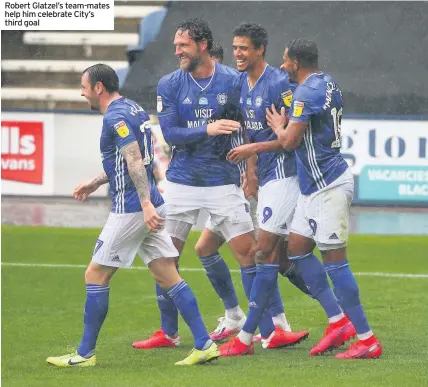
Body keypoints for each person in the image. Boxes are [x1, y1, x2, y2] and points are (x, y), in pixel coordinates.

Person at [132, 18, 296, 351]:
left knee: (249, 255)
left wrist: (251, 171)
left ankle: (271, 329)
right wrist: (206, 130)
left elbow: (250, 129)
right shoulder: (170, 83)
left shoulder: (234, 82)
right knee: (166, 258)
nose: (177, 51)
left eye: (184, 46)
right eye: (176, 45)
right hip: (181, 184)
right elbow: (172, 134)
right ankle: (168, 333)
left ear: (203, 45)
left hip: (223, 182)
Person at [46, 64, 219, 367]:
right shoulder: (133, 108)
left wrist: (145, 205)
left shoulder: (115, 116)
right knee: (166, 273)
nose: (81, 91)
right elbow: (127, 160)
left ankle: (85, 354)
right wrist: (96, 181)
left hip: (132, 208)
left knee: (95, 274)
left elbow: (135, 160)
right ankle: (204, 344)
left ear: (99, 87)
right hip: (148, 201)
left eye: (84, 86)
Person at [266, 39, 382, 359]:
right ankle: (337, 321)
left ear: (297, 63)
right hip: (312, 187)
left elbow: (289, 142)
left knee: (336, 263)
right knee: (298, 249)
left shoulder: (305, 92)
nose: (282, 65)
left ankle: (367, 338)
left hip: (326, 186)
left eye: (285, 61)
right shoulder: (327, 81)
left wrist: (279, 126)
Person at [218, 23, 309, 356]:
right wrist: (251, 171)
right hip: (265, 176)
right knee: (283, 257)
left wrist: (252, 153)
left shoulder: (279, 84)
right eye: (235, 48)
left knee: (265, 252)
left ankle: (250, 334)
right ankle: (325, 313)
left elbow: (289, 140)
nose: (238, 54)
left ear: (260, 50)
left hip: (287, 174)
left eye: (244, 48)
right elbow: (252, 134)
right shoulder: (241, 84)